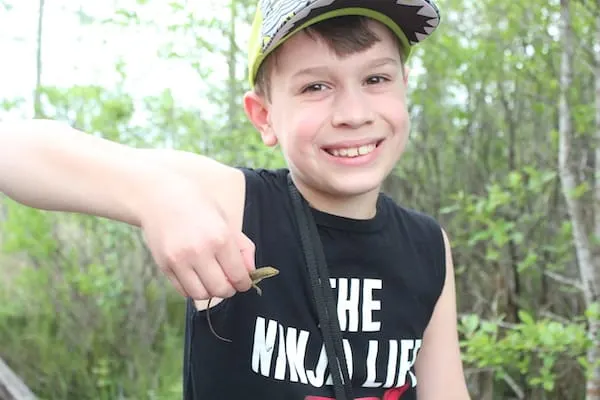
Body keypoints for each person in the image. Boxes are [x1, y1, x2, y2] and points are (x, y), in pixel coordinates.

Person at [0, 0, 470, 399]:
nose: (353, 114)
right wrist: (153, 193)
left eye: (375, 79)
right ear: (264, 116)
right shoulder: (234, 202)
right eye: (315, 87)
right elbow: (14, 149)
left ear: (404, 85)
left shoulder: (429, 246)